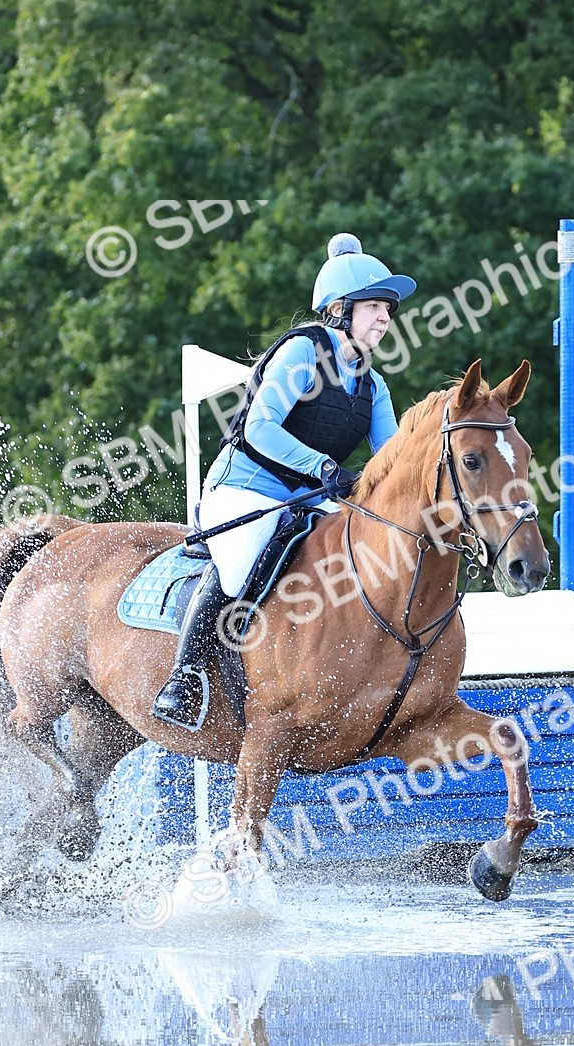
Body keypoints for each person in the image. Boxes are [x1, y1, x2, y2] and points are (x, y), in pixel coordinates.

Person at [152, 233, 417, 730]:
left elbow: (393, 459)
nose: (385, 318)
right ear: (340, 309)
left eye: (388, 310)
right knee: (244, 565)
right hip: (245, 491)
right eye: (376, 306)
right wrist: (323, 468)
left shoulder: (373, 385)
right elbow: (260, 428)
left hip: (306, 502)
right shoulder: (302, 352)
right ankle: (184, 678)